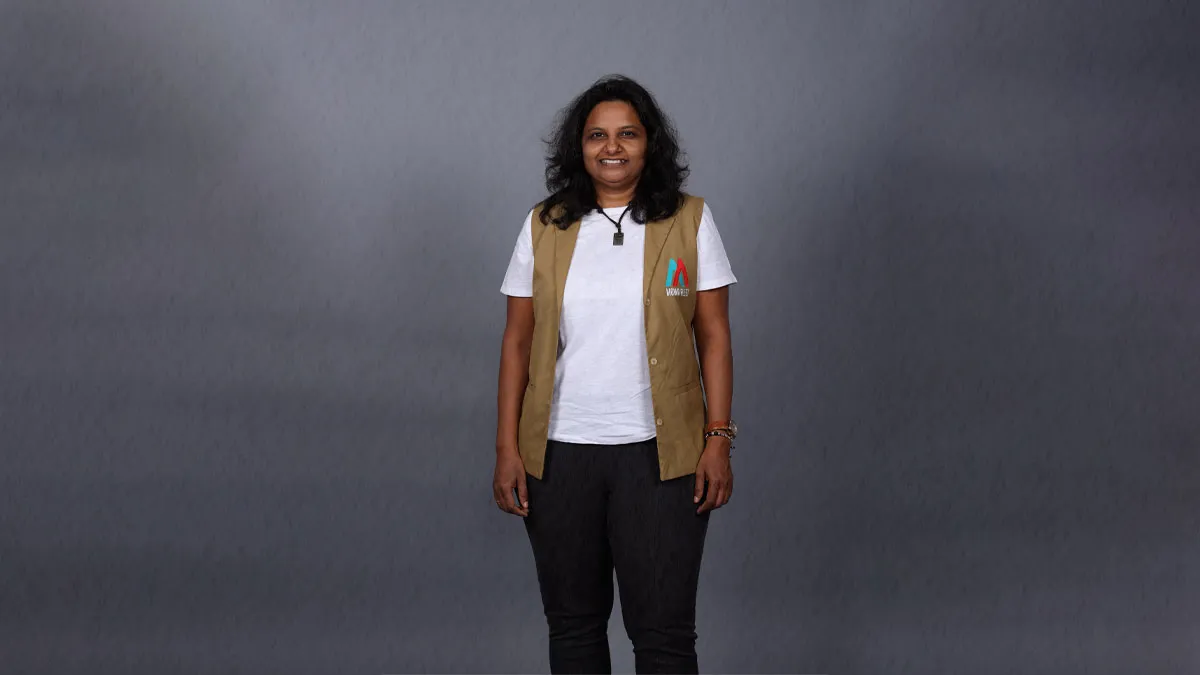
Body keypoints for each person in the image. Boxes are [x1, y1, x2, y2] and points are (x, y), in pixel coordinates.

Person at [493, 74, 738, 675]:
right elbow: (517, 342)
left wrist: (717, 439)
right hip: (558, 456)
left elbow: (713, 335)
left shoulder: (689, 220)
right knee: (574, 629)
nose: (612, 147)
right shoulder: (544, 225)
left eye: (628, 133)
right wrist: (506, 449)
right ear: (578, 147)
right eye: (597, 135)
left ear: (649, 142)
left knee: (664, 636)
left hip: (663, 458)